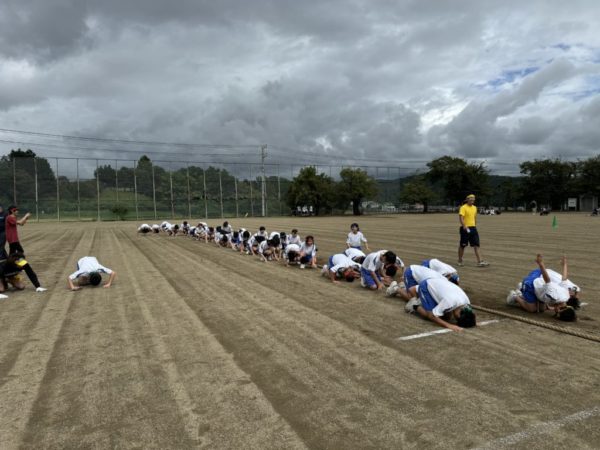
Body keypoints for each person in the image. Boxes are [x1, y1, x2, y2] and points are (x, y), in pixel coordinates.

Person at [506, 254, 579, 321]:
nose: (555, 312)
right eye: (557, 313)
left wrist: (565, 264)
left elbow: (564, 279)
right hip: (531, 285)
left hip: (539, 288)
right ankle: (515, 296)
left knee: (542, 309)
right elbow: (547, 280)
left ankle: (522, 291)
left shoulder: (566, 296)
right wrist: (541, 264)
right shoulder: (554, 296)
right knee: (532, 309)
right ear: (559, 309)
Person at [404, 277, 476, 331]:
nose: (456, 319)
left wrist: (472, 322)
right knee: (429, 315)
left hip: (438, 284)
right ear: (459, 314)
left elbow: (469, 315)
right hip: (426, 286)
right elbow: (432, 316)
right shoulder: (450, 302)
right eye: (457, 318)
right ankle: (415, 306)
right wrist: (449, 325)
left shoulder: (467, 302)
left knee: (447, 317)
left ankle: (426, 302)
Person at [458, 195, 489, 267]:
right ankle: (460, 260)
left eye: (473, 200)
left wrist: (475, 224)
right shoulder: (463, 207)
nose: (472, 201)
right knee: (463, 245)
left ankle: (480, 261)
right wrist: (464, 226)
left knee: (476, 245)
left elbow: (474, 217)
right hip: (465, 228)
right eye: (471, 200)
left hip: (473, 228)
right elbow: (461, 218)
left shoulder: (475, 208)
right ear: (467, 200)